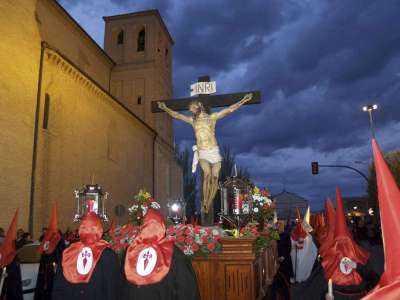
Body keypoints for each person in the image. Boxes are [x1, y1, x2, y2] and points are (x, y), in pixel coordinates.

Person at [158, 93, 253, 213]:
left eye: (192, 109)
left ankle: (209, 201)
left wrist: (243, 100)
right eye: (190, 110)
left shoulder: (212, 118)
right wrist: (165, 108)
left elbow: (229, 110)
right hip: (202, 152)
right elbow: (177, 115)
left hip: (213, 151)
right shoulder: (193, 121)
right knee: (207, 175)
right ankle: (205, 203)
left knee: (214, 178)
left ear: (199, 106)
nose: (191, 112)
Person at [122, 209, 200, 300]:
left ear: (142, 228)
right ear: (162, 227)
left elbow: (122, 288)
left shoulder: (130, 251)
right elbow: (187, 290)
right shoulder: (175, 254)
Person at [52, 212, 120, 300]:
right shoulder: (108, 255)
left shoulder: (68, 252)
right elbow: (112, 289)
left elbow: (58, 286)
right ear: (99, 229)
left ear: (81, 228)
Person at [35, 203, 65, 300]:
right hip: (47, 268)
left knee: (50, 287)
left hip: (51, 267)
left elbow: (60, 252)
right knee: (46, 287)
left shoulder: (56, 239)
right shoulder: (48, 238)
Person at [0, 210, 23, 300]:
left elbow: (13, 269)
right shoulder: (6, 251)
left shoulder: (13, 255)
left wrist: (7, 273)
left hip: (12, 282)